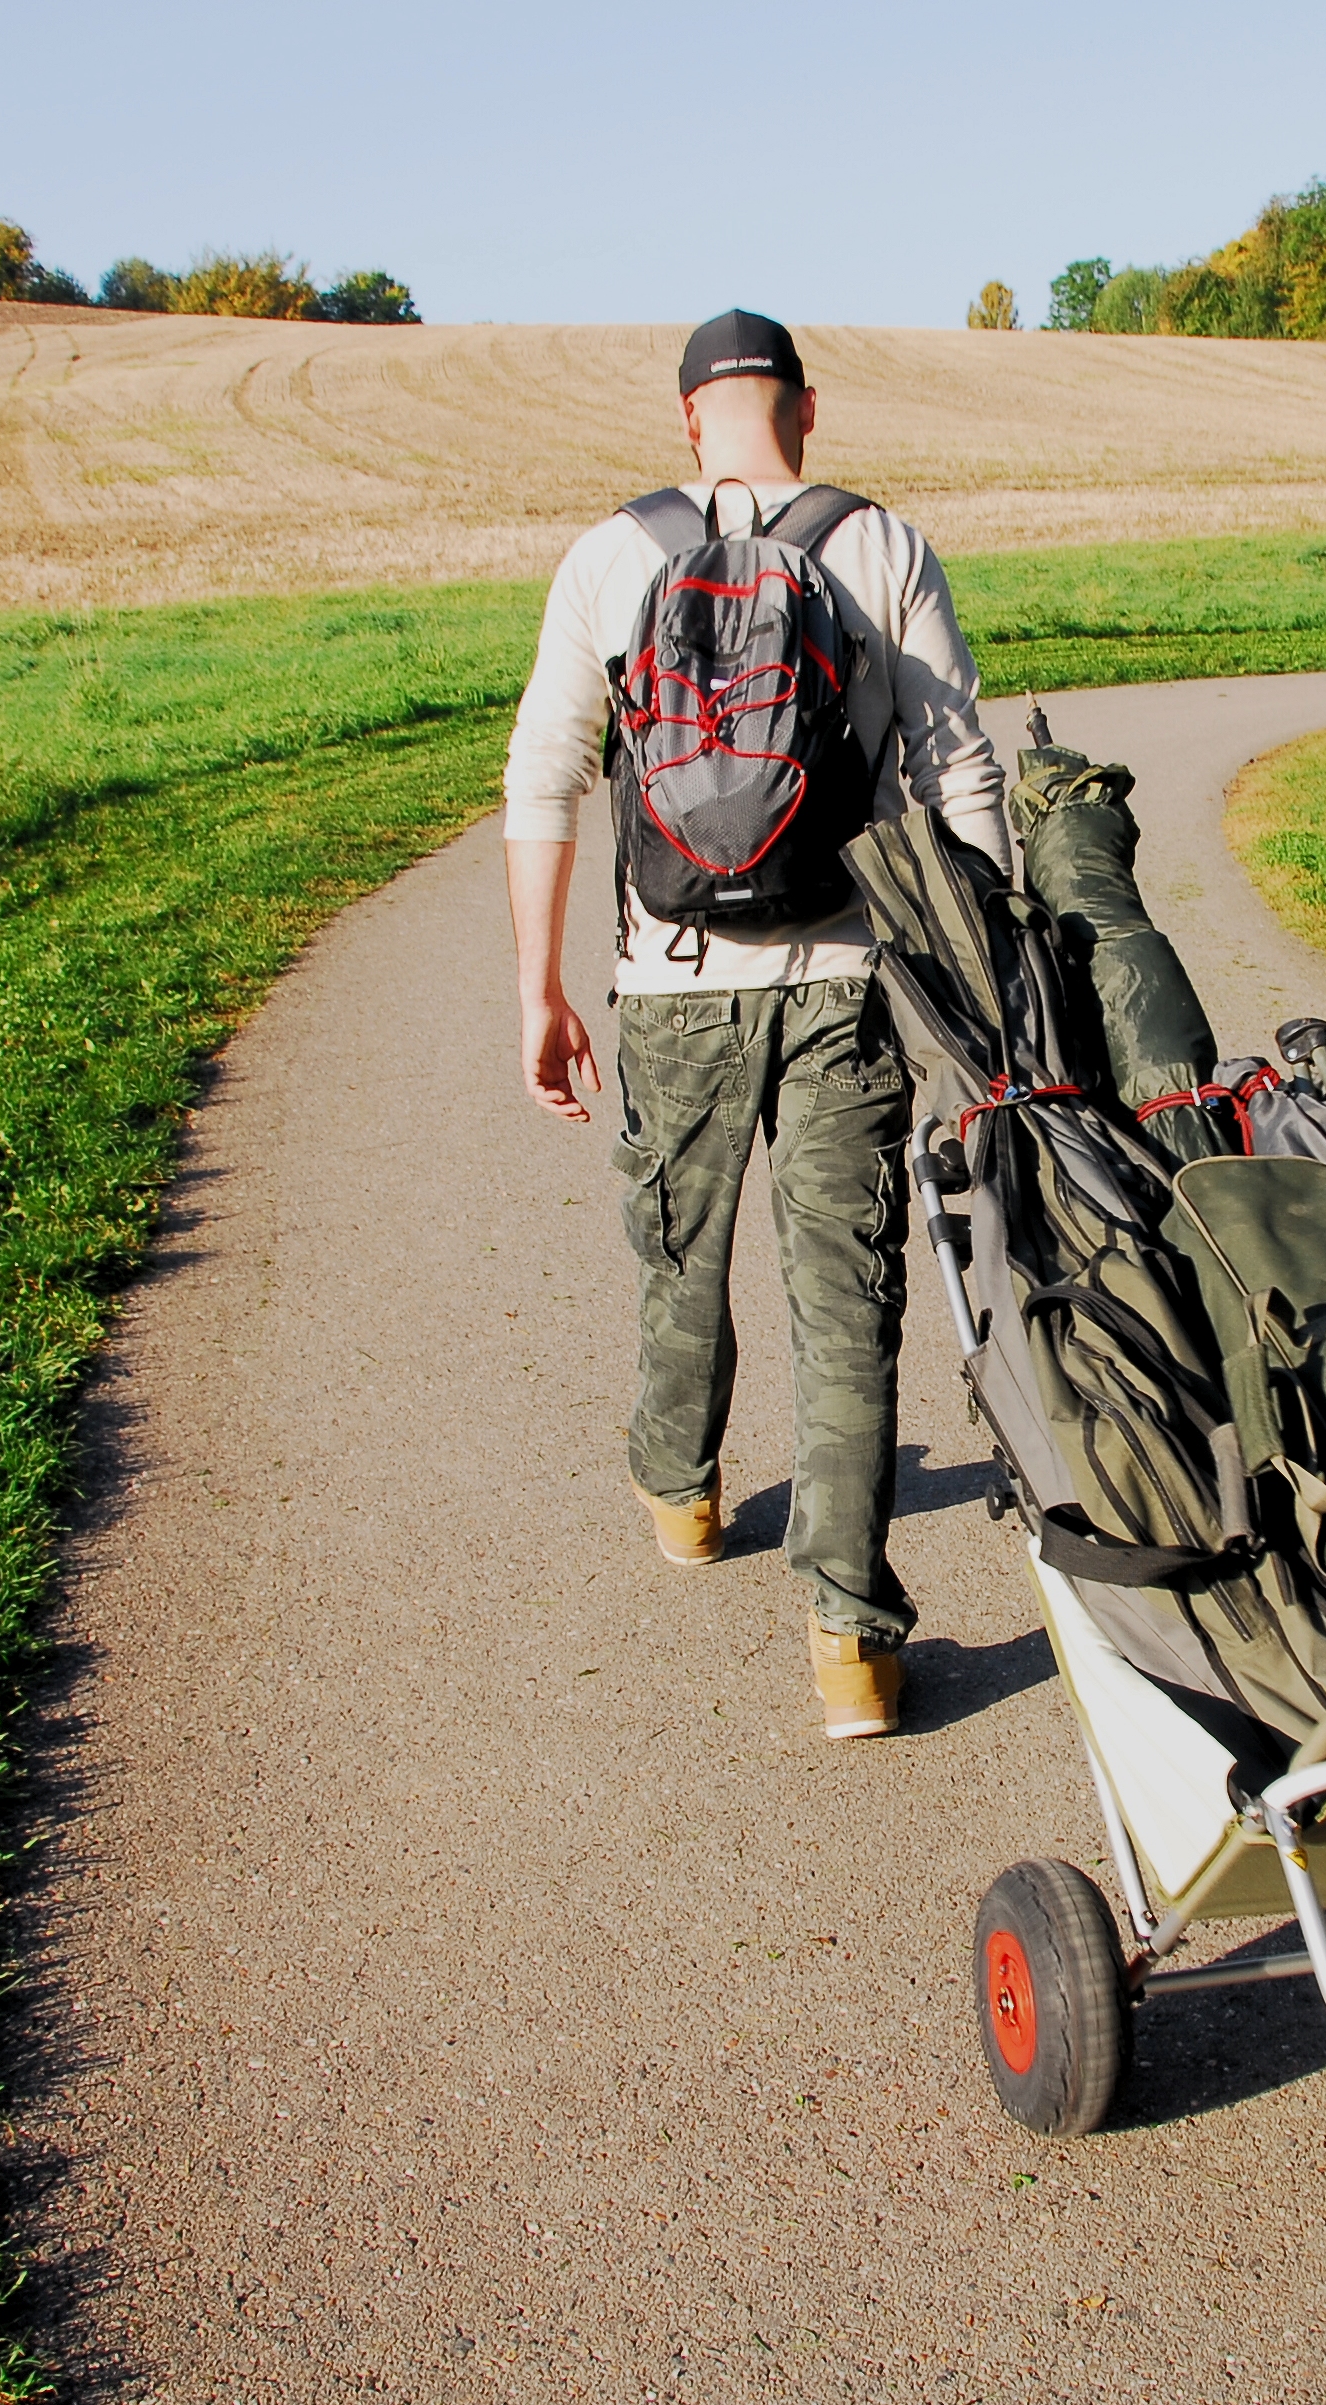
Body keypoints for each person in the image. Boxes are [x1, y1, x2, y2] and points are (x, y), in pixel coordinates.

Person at [500, 310, 1009, 1738]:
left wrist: (538, 985)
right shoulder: (880, 546)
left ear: (686, 420)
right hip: (850, 973)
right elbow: (956, 768)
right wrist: (982, 976)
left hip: (669, 980)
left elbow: (542, 774)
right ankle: (850, 1639)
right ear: (803, 408)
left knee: (679, 1249)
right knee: (846, 1302)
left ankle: (681, 1491)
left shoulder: (610, 558)